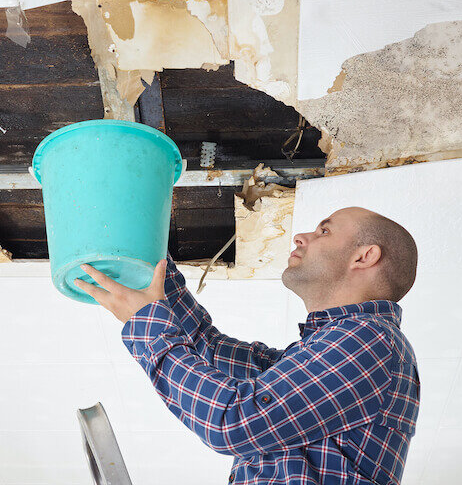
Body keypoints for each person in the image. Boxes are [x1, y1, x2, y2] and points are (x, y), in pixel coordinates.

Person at [76, 206, 420, 484]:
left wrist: (146, 324)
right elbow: (204, 347)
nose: (301, 237)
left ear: (364, 257)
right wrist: (145, 242)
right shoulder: (319, 352)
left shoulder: (370, 340)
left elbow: (233, 421)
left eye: (324, 231)